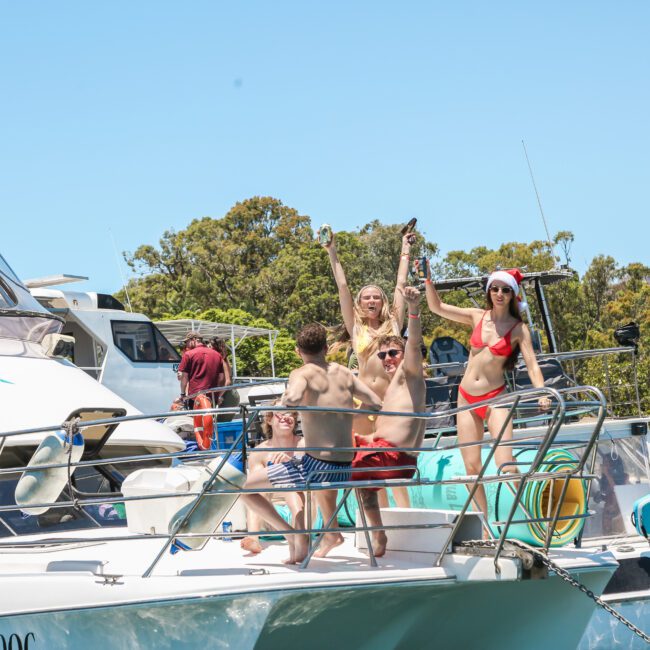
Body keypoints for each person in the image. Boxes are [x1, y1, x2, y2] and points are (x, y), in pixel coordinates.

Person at [241, 322, 382, 564]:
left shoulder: (301, 373)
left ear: (298, 351)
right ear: (326, 348)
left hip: (317, 467)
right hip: (346, 466)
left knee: (246, 491)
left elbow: (294, 396)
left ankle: (292, 535)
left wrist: (289, 400)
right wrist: (348, 414)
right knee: (293, 465)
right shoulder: (344, 373)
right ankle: (323, 536)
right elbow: (375, 402)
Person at [423, 266, 550, 530]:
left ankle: (528, 521)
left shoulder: (518, 329)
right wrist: (427, 278)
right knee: (472, 466)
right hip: (466, 398)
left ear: (513, 295)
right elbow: (436, 307)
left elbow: (533, 365)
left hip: (496, 398)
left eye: (505, 289)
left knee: (506, 464)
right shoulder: (476, 315)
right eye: (494, 288)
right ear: (489, 291)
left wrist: (542, 392)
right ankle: (487, 524)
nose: (499, 294)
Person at [323, 227, 413, 508]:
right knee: (367, 466)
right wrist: (332, 251)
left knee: (394, 465)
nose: (371, 300)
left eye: (376, 297)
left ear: (383, 302)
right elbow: (343, 287)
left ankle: (408, 518)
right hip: (364, 403)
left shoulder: (394, 323)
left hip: (391, 401)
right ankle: (378, 524)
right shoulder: (356, 328)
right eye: (367, 298)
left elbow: (400, 282)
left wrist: (405, 248)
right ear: (360, 304)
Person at [353, 286, 426, 557]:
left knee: (329, 465)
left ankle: (327, 532)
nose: (387, 359)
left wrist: (414, 309)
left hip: (394, 456)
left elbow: (414, 344)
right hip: (385, 454)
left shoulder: (410, 373)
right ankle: (378, 534)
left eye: (393, 353)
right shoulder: (392, 385)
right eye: (382, 355)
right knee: (363, 487)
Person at [240, 401, 304, 554]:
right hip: (272, 518)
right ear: (269, 420)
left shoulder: (303, 444)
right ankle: (254, 537)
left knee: (291, 479)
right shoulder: (259, 452)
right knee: (256, 488)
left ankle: (299, 537)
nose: (286, 417)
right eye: (279, 413)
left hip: (305, 515)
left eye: (290, 413)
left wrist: (289, 465)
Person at [177, 333, 224, 407]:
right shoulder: (217, 355)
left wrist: (182, 394)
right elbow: (221, 378)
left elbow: (184, 377)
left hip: (195, 397)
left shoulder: (188, 354)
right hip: (212, 397)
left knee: (196, 418)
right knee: (212, 418)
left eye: (187, 342)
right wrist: (217, 394)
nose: (186, 345)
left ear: (194, 340)